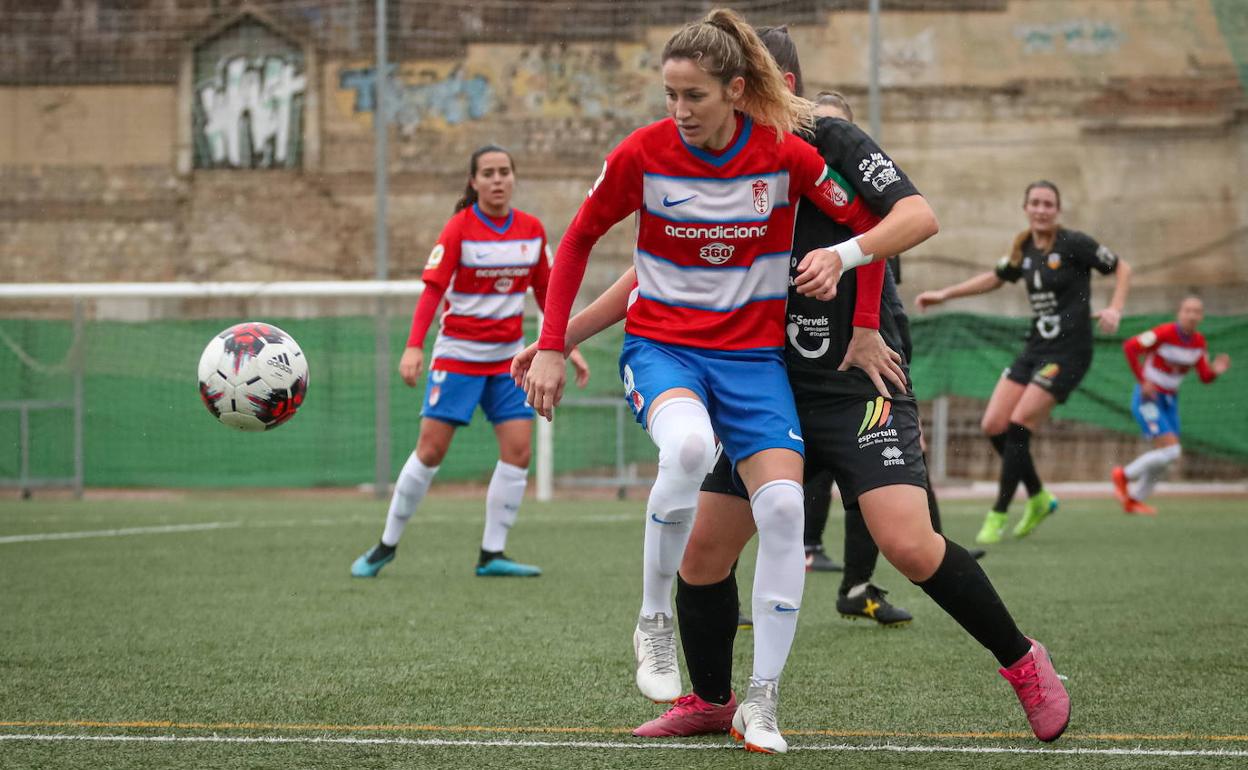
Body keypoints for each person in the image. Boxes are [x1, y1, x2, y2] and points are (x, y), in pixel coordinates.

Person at [626, 26, 1069, 750]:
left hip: (855, 382)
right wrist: (560, 337)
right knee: (703, 555)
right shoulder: (714, 156)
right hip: (763, 385)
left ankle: (1023, 662)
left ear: (775, 86)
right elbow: (652, 265)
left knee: (910, 545)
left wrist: (851, 279)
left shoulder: (829, 138)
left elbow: (912, 218)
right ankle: (710, 700)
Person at [518, 8, 901, 753]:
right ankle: (653, 619)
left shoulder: (784, 156)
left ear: (735, 90)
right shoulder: (643, 153)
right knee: (689, 452)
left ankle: (762, 701)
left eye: (693, 95)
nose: (679, 111)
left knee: (787, 508)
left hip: (754, 365)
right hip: (663, 349)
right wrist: (552, 345)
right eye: (669, 94)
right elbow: (577, 239)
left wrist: (861, 320)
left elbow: (863, 222)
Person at [350, 145, 589, 579]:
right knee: (430, 450)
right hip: (458, 357)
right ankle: (385, 545)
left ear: (514, 178)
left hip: (509, 362)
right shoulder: (459, 228)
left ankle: (491, 554)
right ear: (473, 182)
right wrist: (414, 345)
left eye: (504, 172)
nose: (498, 180)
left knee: (518, 451)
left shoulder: (531, 231)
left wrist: (566, 345)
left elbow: (547, 291)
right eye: (488, 174)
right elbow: (432, 291)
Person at [916, 180, 1132, 544]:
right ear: (1026, 207)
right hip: (1035, 348)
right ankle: (1039, 497)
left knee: (1018, 426)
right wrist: (945, 294)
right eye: (1035, 203)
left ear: (1057, 210)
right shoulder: (1024, 249)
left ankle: (998, 513)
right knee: (994, 424)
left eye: (1048, 203)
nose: (1041, 209)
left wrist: (1115, 308)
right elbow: (996, 278)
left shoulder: (1075, 244)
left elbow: (1122, 268)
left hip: (1069, 352)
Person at [1113, 296, 1230, 514]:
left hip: (1169, 402)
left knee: (1165, 458)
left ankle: (1134, 500)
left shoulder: (1199, 343)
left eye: (1197, 311)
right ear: (1179, 313)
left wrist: (1215, 371)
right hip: (1148, 399)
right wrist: (1142, 380)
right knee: (1172, 451)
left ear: (1201, 316)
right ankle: (1123, 476)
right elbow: (1130, 347)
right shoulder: (1163, 333)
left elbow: (1204, 376)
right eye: (1188, 310)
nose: (1192, 315)